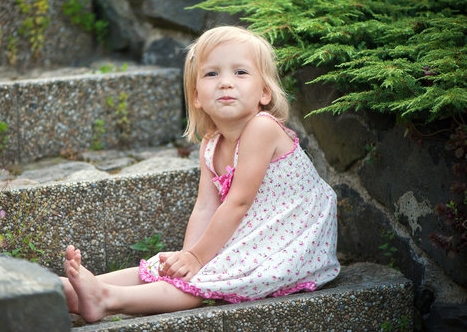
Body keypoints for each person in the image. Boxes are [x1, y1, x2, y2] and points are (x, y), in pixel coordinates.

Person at [61, 25, 340, 322]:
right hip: (256, 229)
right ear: (196, 96)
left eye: (240, 73)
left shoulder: (262, 128)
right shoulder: (211, 142)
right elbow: (206, 205)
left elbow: (238, 203)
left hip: (291, 238)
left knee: (206, 278)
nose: (225, 83)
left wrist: (196, 260)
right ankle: (73, 289)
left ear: (265, 93)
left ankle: (106, 298)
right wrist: (186, 257)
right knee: (176, 267)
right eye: (212, 74)